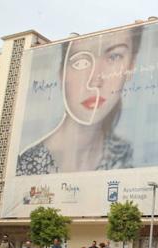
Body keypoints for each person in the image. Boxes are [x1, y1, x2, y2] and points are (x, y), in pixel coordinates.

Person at [15, 27, 142, 175]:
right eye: (81, 63)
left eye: (113, 57)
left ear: (131, 67)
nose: (94, 81)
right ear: (61, 74)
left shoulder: (126, 155)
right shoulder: (25, 166)